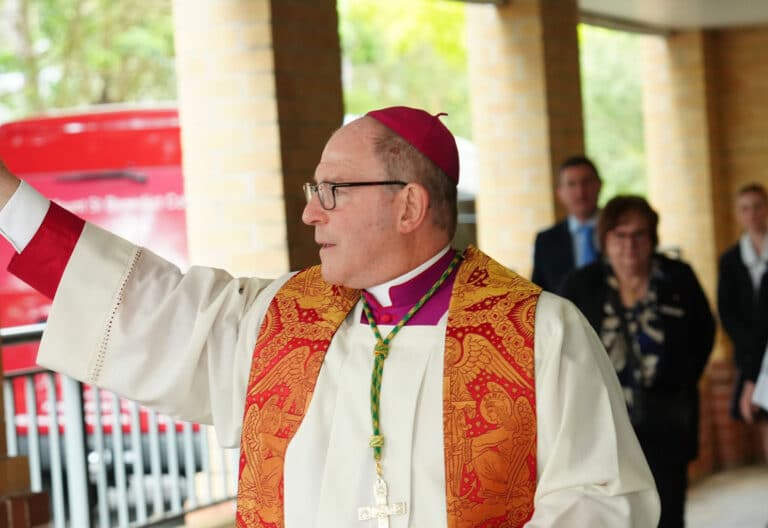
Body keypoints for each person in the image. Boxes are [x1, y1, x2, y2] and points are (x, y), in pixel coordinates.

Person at [0, 106, 659, 527]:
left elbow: (604, 499)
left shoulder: (541, 333)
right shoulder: (280, 318)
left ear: (408, 206)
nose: (311, 212)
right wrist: (8, 200)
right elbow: (149, 306)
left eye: (333, 190)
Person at [561, 195, 715, 528]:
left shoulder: (677, 278)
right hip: (604, 425)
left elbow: (704, 332)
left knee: (668, 511)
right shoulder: (582, 285)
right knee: (611, 514)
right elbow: (564, 345)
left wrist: (683, 377)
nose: (629, 245)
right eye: (620, 235)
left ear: (652, 238)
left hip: (667, 420)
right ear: (605, 239)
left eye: (639, 234)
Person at [718, 183, 768, 456]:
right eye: (745, 208)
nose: (752, 214)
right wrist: (751, 347)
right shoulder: (730, 260)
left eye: (757, 206)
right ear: (738, 214)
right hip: (749, 353)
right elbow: (727, 312)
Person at [531, 155, 602, 293]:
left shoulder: (622, 234)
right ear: (560, 193)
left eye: (586, 182)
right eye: (571, 184)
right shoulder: (545, 241)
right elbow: (538, 293)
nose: (580, 192)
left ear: (599, 185)